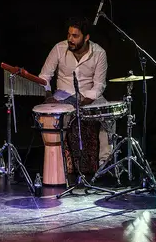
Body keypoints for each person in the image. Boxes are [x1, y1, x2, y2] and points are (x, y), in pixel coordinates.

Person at [38, 17, 112, 173]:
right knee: (52, 117)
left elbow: (99, 85)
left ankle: (105, 163)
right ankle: (60, 162)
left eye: (75, 36)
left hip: (89, 96)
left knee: (108, 116)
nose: (70, 39)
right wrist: (48, 94)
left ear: (86, 38)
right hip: (62, 95)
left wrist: (85, 100)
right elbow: (44, 76)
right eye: (69, 34)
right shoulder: (59, 48)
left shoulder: (99, 53)